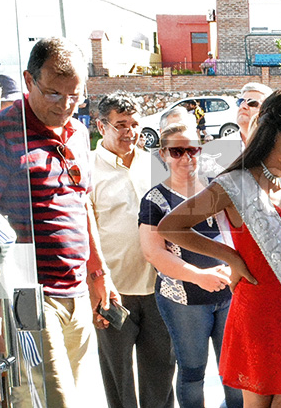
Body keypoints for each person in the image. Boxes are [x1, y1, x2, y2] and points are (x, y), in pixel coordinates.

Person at [157, 89, 281, 408]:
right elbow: (170, 226)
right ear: (275, 130)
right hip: (258, 314)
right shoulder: (234, 183)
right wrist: (230, 256)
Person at [0, 36, 119, 407]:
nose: (66, 106)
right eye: (55, 94)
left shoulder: (74, 133)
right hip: (27, 297)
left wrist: (99, 272)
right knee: (50, 402)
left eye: (75, 95)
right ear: (28, 81)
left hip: (77, 292)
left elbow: (81, 204)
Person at [138, 123, 243, 408]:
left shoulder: (216, 189)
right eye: (177, 151)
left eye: (193, 149)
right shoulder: (155, 200)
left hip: (228, 294)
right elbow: (153, 253)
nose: (187, 157)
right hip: (183, 299)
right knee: (193, 371)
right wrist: (198, 276)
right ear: (163, 154)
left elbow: (238, 232)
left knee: (235, 373)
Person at [91, 92, 175, 408]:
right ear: (101, 126)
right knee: (119, 380)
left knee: (161, 377)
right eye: (121, 124)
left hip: (158, 290)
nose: (130, 132)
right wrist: (94, 289)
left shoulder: (156, 165)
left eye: (135, 124)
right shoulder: (88, 169)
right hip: (113, 292)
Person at [200, 82, 273, 180]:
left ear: (267, 112)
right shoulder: (214, 150)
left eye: (252, 102)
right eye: (240, 101)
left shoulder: (276, 148)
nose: (243, 106)